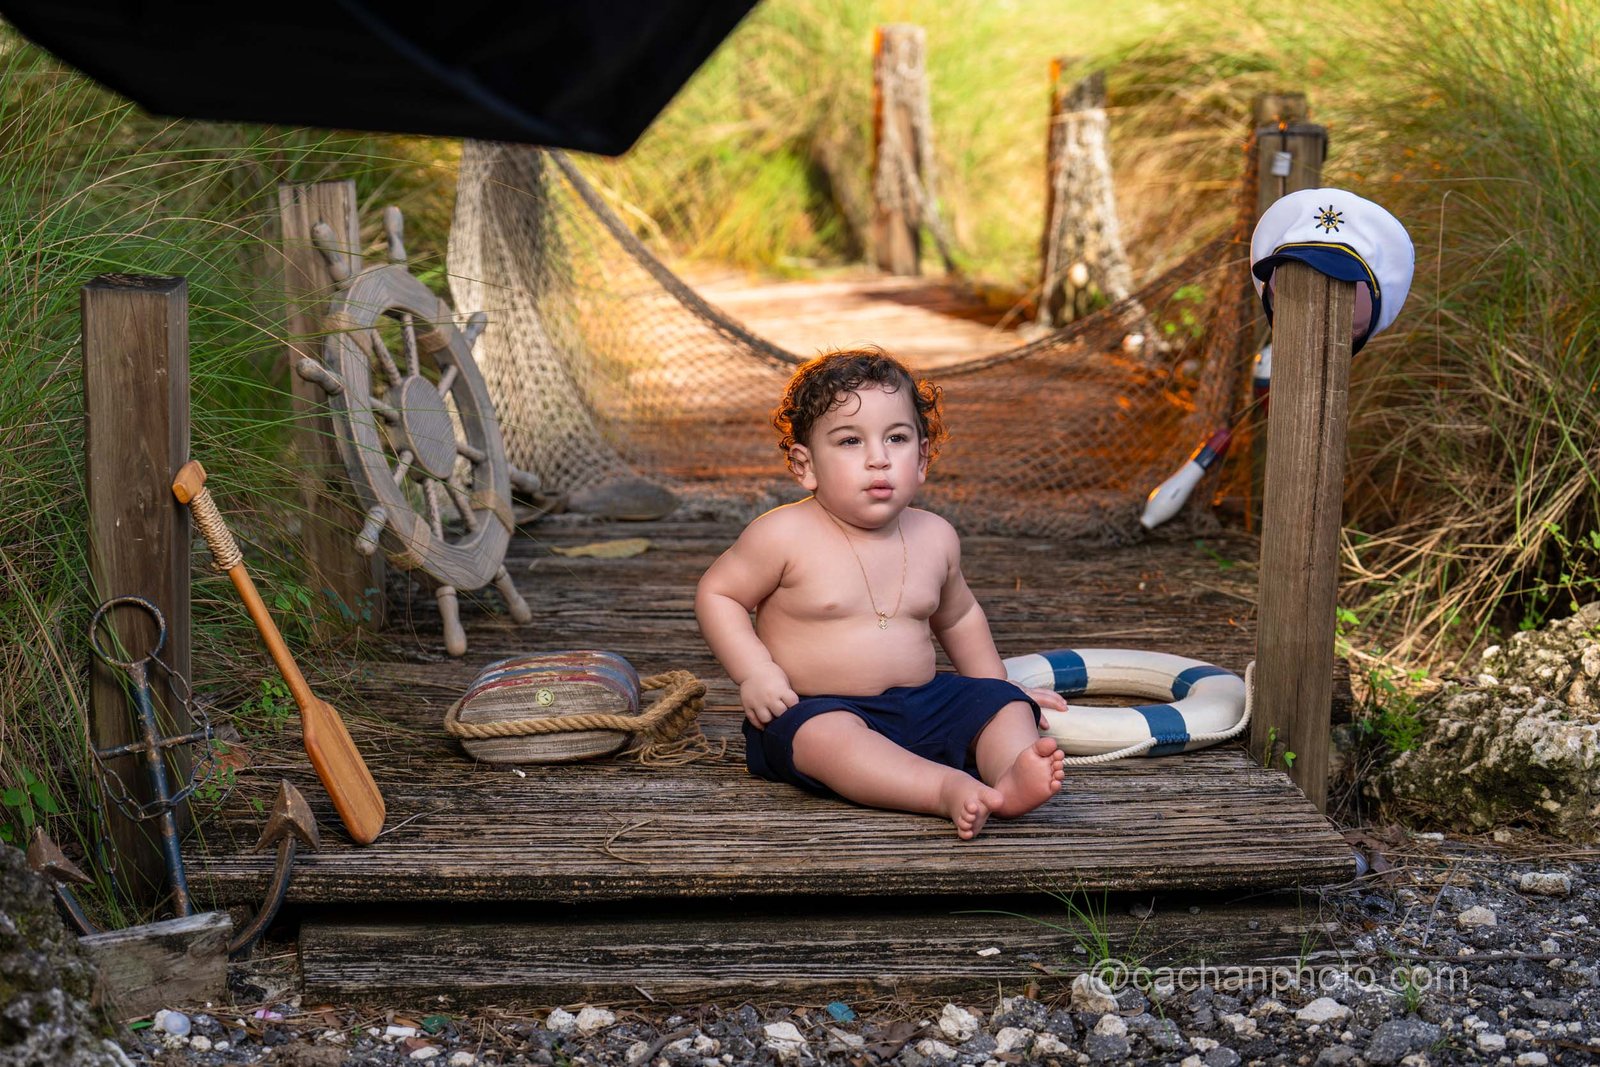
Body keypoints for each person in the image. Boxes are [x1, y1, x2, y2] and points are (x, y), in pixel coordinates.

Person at [695, 346, 1068, 839]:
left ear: (923, 458)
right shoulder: (783, 535)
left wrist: (995, 685)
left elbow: (959, 617)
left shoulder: (936, 536)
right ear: (806, 466)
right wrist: (755, 672)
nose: (878, 459)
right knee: (827, 739)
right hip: (818, 707)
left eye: (896, 438)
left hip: (923, 701)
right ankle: (943, 788)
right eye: (850, 441)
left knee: (1004, 705)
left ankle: (1011, 772)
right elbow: (719, 595)